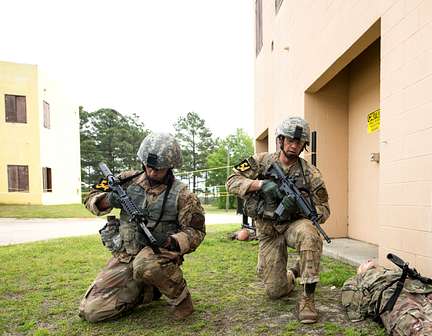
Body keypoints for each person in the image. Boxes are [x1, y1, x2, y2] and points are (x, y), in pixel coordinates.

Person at [78, 133, 206, 322]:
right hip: (125, 255)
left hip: (157, 255)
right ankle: (147, 291)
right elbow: (89, 197)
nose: (152, 172)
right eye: (149, 166)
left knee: (146, 265)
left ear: (170, 167)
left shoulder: (183, 195)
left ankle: (181, 298)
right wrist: (108, 200)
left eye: (158, 169)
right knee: (92, 312)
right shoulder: (124, 180)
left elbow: (196, 231)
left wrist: (171, 241)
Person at [226, 116, 330, 323]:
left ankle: (308, 298)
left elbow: (324, 209)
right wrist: (259, 185)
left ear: (304, 146)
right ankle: (292, 273)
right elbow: (231, 181)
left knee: (310, 234)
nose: (293, 145)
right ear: (280, 140)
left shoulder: (311, 173)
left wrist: (302, 209)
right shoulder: (260, 161)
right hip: (267, 230)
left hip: (293, 225)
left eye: (299, 142)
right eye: (290, 140)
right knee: (275, 291)